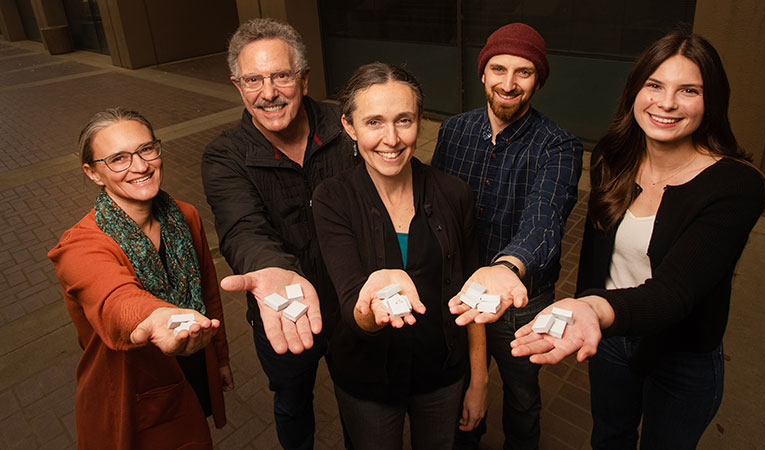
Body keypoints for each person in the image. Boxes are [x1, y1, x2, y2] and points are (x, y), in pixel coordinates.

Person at [510, 32, 765, 449]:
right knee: (610, 437)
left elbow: (674, 294)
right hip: (612, 340)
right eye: (654, 85)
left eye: (688, 90)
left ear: (712, 101)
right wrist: (588, 307)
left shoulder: (735, 186)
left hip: (681, 354)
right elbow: (597, 258)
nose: (666, 103)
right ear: (635, 91)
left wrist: (592, 308)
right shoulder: (612, 159)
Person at [311, 62, 488, 450]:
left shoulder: (454, 194)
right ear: (349, 126)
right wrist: (369, 307)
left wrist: (479, 380)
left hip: (442, 376)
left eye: (404, 120)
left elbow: (472, 293)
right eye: (374, 122)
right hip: (367, 382)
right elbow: (350, 311)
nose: (391, 139)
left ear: (420, 121)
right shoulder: (332, 198)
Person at [202, 18, 356, 450]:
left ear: (304, 79)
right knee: (291, 403)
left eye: (281, 76)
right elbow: (240, 227)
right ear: (238, 86)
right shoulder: (224, 155)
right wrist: (271, 270)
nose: (268, 92)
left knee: (360, 402)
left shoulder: (346, 128)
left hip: (351, 305)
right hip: (282, 315)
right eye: (253, 79)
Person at [430, 23, 583, 449]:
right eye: (498, 69)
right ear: (482, 73)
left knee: (521, 396)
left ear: (539, 80)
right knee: (458, 383)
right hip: (458, 289)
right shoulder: (453, 131)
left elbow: (544, 220)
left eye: (524, 72)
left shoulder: (559, 146)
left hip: (521, 301)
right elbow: (435, 206)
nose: (509, 84)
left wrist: (505, 267)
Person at [48, 108, 233, 450]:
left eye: (147, 149)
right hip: (133, 390)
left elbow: (208, 291)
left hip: (192, 367)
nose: (141, 166)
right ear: (93, 173)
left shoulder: (185, 216)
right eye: (118, 158)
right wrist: (154, 316)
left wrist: (219, 359)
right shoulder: (80, 245)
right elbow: (114, 298)